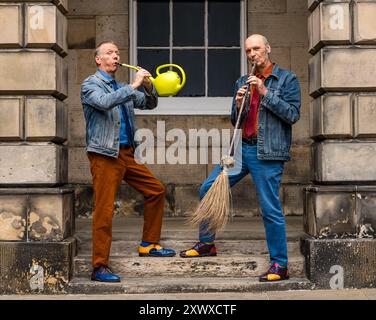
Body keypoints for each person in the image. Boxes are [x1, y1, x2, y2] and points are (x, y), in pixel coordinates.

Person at [180, 34, 301, 282]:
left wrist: (265, 92)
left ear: (268, 48)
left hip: (267, 152)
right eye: (248, 51)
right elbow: (235, 120)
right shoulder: (242, 80)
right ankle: (207, 244)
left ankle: (280, 264)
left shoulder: (287, 79)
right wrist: (238, 105)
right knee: (208, 188)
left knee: (270, 208)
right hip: (240, 149)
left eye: (256, 48)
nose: (252, 54)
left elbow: (292, 115)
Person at [81, 41, 176, 283]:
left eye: (117, 53)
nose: (115, 56)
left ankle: (149, 244)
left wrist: (148, 87)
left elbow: (149, 103)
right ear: (98, 60)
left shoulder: (122, 87)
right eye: (110, 53)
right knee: (104, 210)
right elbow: (104, 102)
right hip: (104, 154)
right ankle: (99, 266)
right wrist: (133, 85)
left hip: (126, 153)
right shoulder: (91, 85)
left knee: (156, 190)